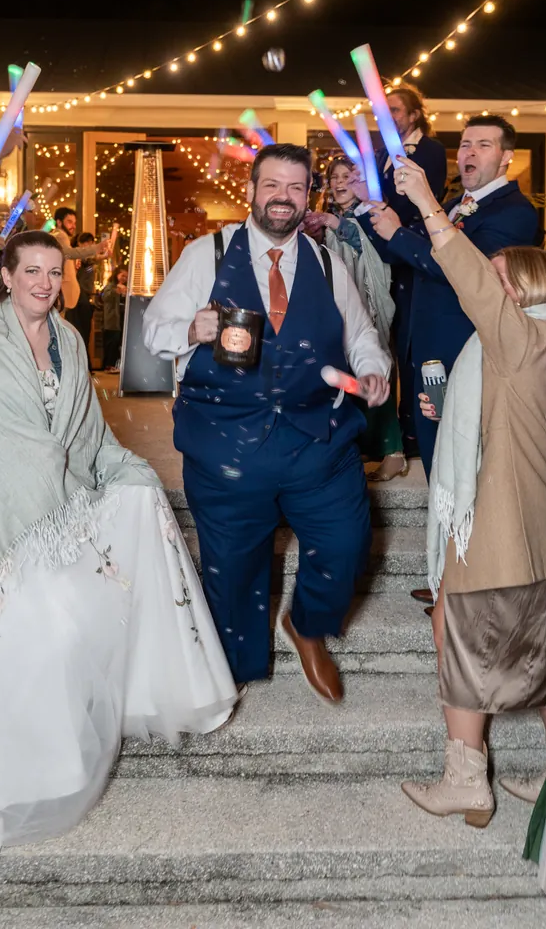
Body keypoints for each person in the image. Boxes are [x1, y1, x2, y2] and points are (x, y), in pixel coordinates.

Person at [0, 230, 237, 856]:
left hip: (55, 511)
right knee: (18, 642)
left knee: (126, 520)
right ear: (8, 278)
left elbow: (88, 437)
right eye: (32, 271)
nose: (44, 282)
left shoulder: (70, 340)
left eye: (54, 271)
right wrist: (51, 478)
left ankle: (60, 765)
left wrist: (128, 474)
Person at [143, 144, 390, 702]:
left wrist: (372, 371)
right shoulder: (206, 254)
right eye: (272, 186)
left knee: (347, 542)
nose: (283, 198)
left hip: (316, 441)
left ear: (308, 197)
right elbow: (154, 330)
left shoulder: (327, 261)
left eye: (295, 188)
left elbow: (361, 335)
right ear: (252, 191)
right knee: (232, 570)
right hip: (226, 443)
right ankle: (237, 667)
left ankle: (306, 626)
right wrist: (192, 329)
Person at [389, 158, 546, 832]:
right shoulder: (544, 345)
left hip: (497, 536)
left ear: (517, 291)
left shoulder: (517, 339)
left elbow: (461, 271)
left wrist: (428, 203)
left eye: (495, 280)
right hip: (541, 539)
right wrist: (456, 413)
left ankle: (467, 782)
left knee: (457, 639)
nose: (481, 288)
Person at [356, 114, 538, 480]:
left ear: (506, 158)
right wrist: (375, 216)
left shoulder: (516, 212)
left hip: (469, 351)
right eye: (466, 144)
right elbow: (405, 258)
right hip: (423, 350)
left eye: (483, 145)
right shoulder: (453, 204)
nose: (469, 152)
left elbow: (466, 272)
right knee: (437, 463)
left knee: (469, 467)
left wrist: (404, 232)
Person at [305, 157, 405, 482]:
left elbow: (378, 248)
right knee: (352, 374)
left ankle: (395, 451)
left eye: (346, 176)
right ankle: (368, 443)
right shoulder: (335, 216)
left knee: (379, 370)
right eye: (334, 177)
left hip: (371, 302)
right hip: (343, 305)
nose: (339, 182)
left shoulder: (372, 210)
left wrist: (334, 224)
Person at [376, 85, 447, 459]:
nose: (388, 117)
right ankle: (393, 431)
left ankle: (414, 430)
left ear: (414, 115)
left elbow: (416, 203)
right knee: (388, 344)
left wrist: (389, 222)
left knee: (409, 345)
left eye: (395, 110)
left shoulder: (430, 152)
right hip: (387, 253)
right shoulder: (381, 151)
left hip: (412, 254)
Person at [51, 208, 109, 315]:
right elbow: (70, 253)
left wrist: (101, 256)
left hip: (65, 294)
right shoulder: (60, 235)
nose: (73, 226)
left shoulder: (62, 237)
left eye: (74, 223)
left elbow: (77, 257)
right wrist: (97, 248)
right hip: (63, 294)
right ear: (59, 222)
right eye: (69, 222)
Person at [72, 231, 97, 367]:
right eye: (87, 242)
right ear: (80, 244)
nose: (90, 245)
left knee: (85, 331)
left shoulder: (87, 258)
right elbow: (88, 260)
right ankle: (83, 363)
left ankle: (85, 362)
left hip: (86, 295)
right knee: (81, 330)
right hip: (79, 296)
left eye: (91, 242)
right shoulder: (79, 258)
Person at [101, 267, 127, 371]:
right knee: (111, 344)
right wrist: (116, 291)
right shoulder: (110, 286)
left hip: (120, 321)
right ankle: (108, 366)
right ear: (117, 275)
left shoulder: (125, 287)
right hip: (112, 321)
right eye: (122, 275)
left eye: (126, 276)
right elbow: (104, 297)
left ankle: (114, 365)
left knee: (117, 344)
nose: (124, 278)